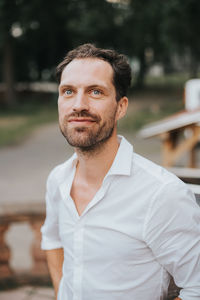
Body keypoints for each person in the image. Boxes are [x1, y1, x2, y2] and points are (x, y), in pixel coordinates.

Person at [41, 43, 200, 300]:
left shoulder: (162, 194)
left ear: (121, 107)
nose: (78, 105)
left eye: (95, 91)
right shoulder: (57, 179)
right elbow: (51, 240)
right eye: (68, 91)